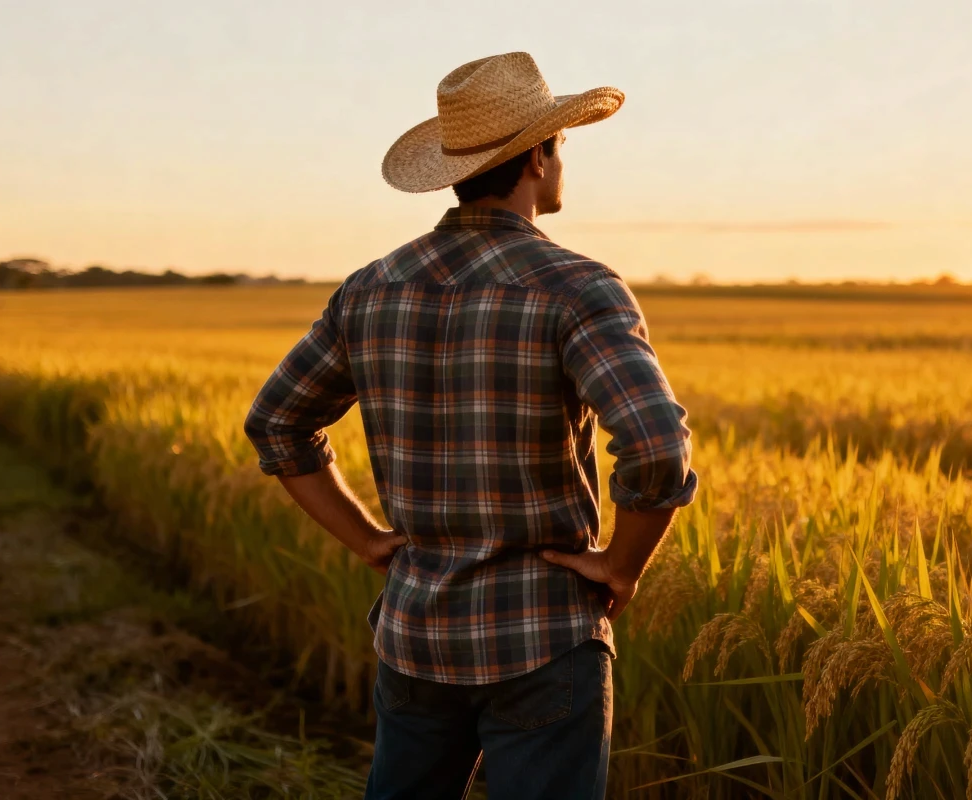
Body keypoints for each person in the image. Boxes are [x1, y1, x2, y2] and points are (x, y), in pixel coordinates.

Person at [242, 51, 697, 800]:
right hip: (543, 640)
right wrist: (622, 566)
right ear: (539, 157)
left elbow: (276, 425)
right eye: (560, 146)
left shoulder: (371, 288)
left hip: (415, 634)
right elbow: (654, 447)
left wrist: (366, 539)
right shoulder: (575, 286)